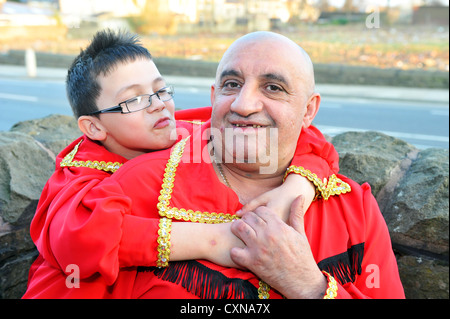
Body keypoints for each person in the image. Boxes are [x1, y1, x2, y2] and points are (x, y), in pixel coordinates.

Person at [59, 31, 404, 299]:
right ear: (213, 97)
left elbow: (314, 143)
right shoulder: (128, 190)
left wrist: (308, 284)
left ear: (309, 111)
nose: (244, 104)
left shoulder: (353, 207)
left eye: (273, 87)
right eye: (231, 84)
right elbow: (74, 245)